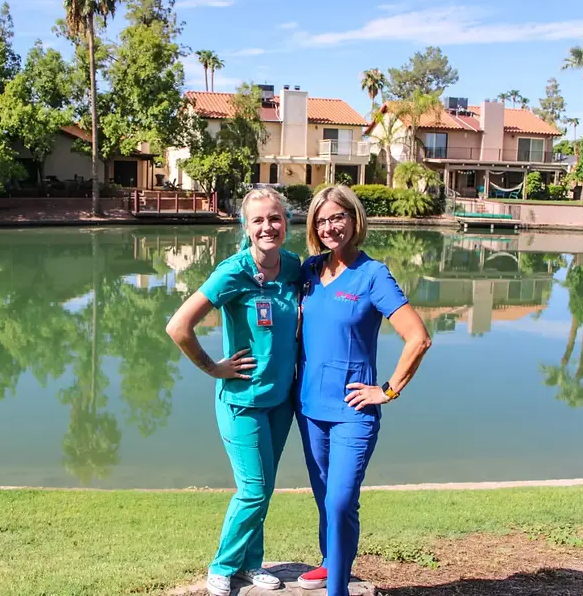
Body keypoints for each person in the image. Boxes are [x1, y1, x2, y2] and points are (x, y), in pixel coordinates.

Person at [294, 185, 432, 595]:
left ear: (355, 220)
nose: (329, 226)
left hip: (353, 410)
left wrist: (387, 390)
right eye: (321, 220)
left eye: (337, 217)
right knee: (324, 497)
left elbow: (418, 338)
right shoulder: (308, 270)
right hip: (308, 407)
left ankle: (338, 588)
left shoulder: (373, 275)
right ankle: (329, 561)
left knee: (340, 501)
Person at [165, 188, 300, 596]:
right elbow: (178, 327)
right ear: (245, 226)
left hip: (281, 402)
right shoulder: (232, 271)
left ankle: (250, 564)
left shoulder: (293, 267)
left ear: (286, 223)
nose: (267, 227)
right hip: (242, 403)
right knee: (253, 490)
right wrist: (213, 368)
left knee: (262, 490)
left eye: (274, 218)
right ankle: (222, 566)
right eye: (258, 220)